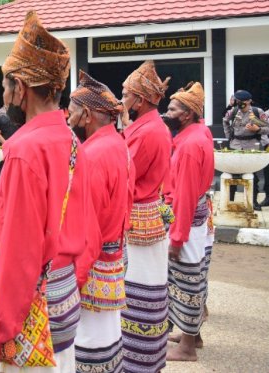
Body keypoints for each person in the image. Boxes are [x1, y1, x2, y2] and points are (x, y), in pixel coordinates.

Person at [0, 11, 84, 373]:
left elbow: (21, 254)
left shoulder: (25, 150)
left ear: (20, 87)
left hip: (31, 306)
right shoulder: (68, 137)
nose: (4, 98)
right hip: (64, 294)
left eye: (5, 88)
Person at [68, 71, 134, 373]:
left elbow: (88, 228)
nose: (68, 118)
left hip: (94, 264)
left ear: (87, 115)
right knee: (109, 342)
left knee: (91, 348)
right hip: (112, 255)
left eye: (72, 111)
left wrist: (74, 282)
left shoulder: (92, 155)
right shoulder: (118, 144)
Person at [119, 60, 173, 373]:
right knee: (151, 289)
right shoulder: (154, 127)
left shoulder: (146, 132)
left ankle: (137, 361)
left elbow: (125, 175)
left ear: (139, 100)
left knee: (136, 291)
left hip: (137, 216)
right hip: (149, 214)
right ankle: (149, 359)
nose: (121, 98)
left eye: (126, 94)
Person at [160, 82, 214, 362]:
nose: (166, 113)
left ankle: (188, 348)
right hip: (195, 219)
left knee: (188, 282)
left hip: (188, 222)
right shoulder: (196, 132)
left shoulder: (191, 145)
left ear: (187, 114)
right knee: (195, 278)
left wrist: (177, 238)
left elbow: (185, 195)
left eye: (172, 109)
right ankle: (193, 335)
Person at [223, 89, 269, 209]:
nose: (239, 103)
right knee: (233, 173)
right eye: (238, 100)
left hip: (252, 145)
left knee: (252, 174)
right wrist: (229, 136)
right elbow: (225, 121)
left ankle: (253, 201)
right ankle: (230, 200)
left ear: (249, 101)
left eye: (242, 101)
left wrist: (257, 129)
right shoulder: (233, 111)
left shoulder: (256, 112)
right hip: (236, 145)